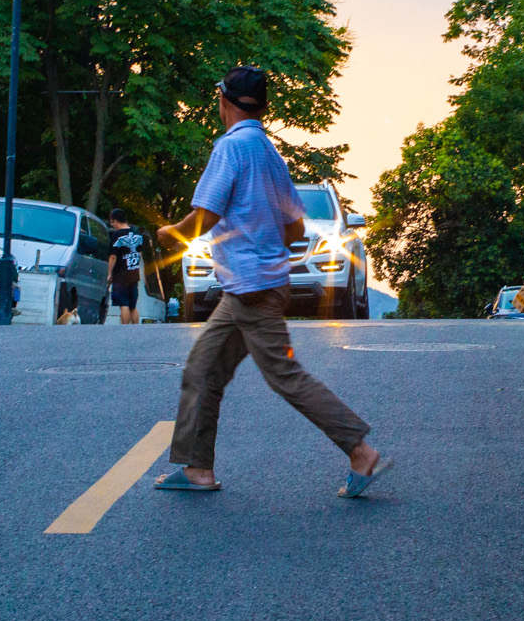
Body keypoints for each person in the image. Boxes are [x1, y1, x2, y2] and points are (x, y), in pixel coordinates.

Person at [153, 65, 387, 498]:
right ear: (264, 106)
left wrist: (171, 234)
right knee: (202, 370)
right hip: (253, 284)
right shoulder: (269, 153)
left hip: (250, 288)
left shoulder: (230, 149)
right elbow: (296, 229)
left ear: (222, 102)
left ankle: (359, 450)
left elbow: (204, 216)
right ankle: (198, 467)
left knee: (283, 373)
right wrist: (260, 240)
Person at [106, 208, 149, 325]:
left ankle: (125, 330)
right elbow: (139, 254)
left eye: (112, 222)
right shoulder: (138, 235)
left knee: (123, 304)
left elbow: (113, 257)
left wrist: (109, 273)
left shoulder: (117, 236)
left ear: (116, 221)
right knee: (133, 306)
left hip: (120, 275)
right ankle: (135, 329)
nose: (113, 225)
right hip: (133, 275)